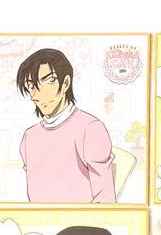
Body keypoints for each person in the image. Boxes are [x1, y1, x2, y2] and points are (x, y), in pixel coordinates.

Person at [16, 48, 116, 203]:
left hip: (81, 218)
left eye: (49, 81)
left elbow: (105, 198)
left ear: (65, 83)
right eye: (31, 86)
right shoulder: (29, 136)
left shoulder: (90, 128)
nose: (38, 93)